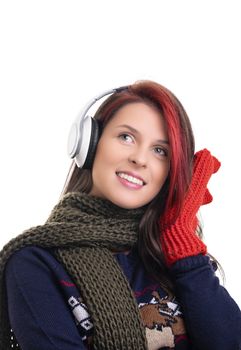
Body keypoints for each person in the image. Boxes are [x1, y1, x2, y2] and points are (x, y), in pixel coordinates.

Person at [0, 80, 240, 350]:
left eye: (160, 151)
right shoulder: (35, 263)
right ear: (89, 144)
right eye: (126, 137)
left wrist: (185, 249)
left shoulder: (177, 257)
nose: (140, 159)